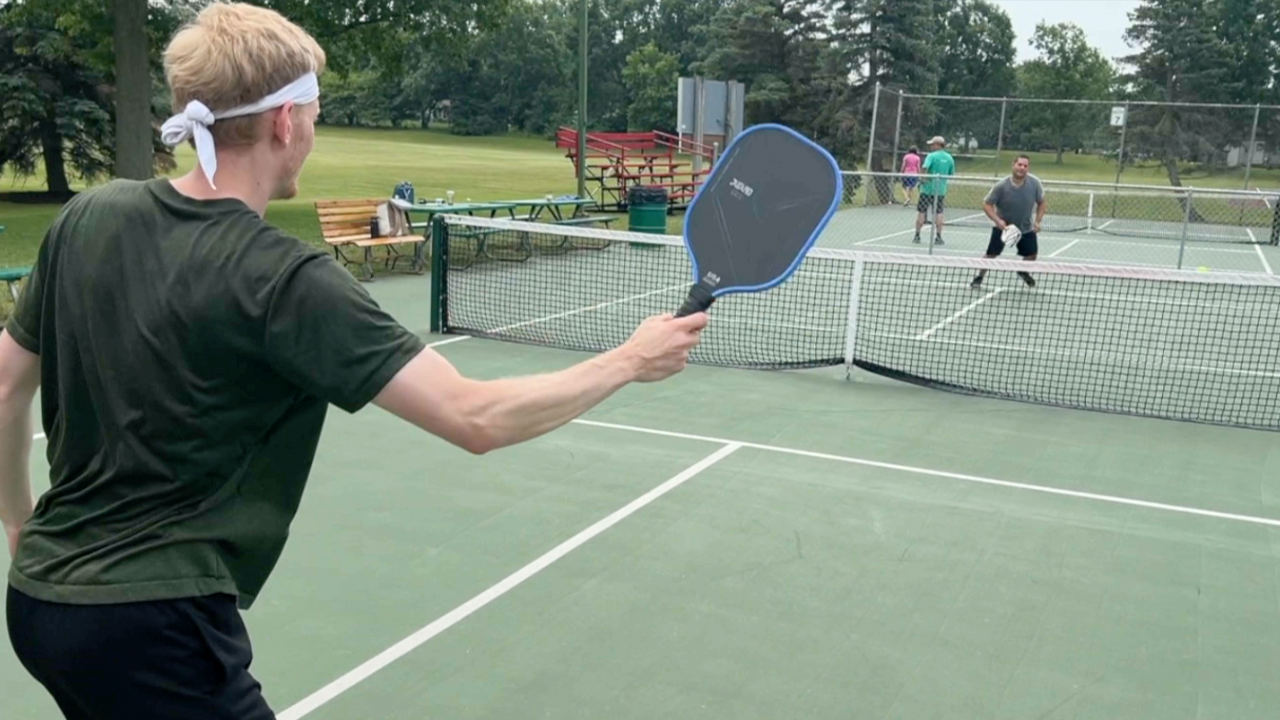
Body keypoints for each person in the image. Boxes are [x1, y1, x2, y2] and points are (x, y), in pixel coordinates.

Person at [0, 4, 707, 718]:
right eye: (312, 110)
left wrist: (21, 524)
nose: (311, 128)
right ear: (283, 122)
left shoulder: (87, 217)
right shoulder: (284, 279)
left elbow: (3, 387)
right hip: (150, 626)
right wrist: (629, 360)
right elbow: (476, 418)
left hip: (39, 601)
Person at [971, 154, 1047, 289]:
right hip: (1003, 228)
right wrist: (998, 221)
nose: (1022, 168)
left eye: (1025, 166)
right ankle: (979, 277)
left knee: (1032, 255)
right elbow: (987, 204)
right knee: (991, 254)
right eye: (1019, 165)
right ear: (1013, 165)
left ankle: (1022, 270)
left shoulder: (1035, 183)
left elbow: (1042, 203)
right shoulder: (1001, 186)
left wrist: (1037, 221)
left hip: (1025, 227)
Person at [913, 136, 955, 245]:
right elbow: (951, 173)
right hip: (940, 191)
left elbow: (925, 167)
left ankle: (917, 235)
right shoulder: (949, 158)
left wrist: (922, 178)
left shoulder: (931, 156)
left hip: (927, 190)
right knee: (939, 212)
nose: (931, 146)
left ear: (937, 145)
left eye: (932, 144)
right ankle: (938, 237)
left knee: (922, 212)